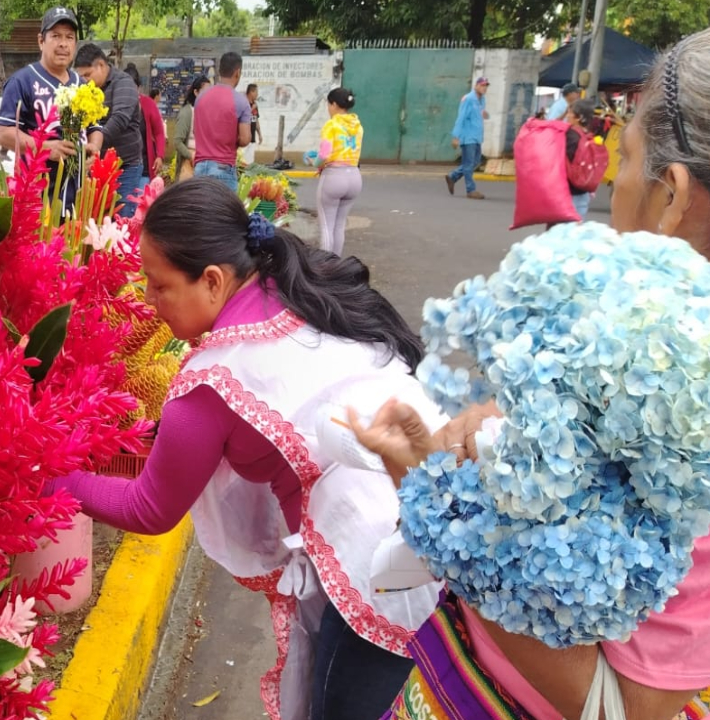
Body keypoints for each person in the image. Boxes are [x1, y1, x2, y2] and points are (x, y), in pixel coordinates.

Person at [353, 28, 710, 720]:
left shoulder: (689, 418)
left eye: (625, 158)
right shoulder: (613, 344)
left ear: (670, 194)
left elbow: (620, 711)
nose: (612, 179)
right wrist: (444, 465)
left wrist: (449, 520)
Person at [47, 177, 448, 720]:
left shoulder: (211, 381)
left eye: (158, 285)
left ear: (211, 281)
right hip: (443, 521)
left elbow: (150, 507)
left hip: (375, 569)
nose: (146, 299)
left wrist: (47, 479)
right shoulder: (292, 293)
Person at [0, 7, 82, 213]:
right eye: (56, 36)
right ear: (41, 41)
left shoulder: (83, 85)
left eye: (69, 37)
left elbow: (95, 128)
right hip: (37, 194)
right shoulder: (22, 81)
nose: (63, 43)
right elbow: (4, 134)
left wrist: (92, 148)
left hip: (78, 194)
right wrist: (45, 148)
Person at [74, 44, 146, 218]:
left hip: (125, 167)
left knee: (121, 219)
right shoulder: (88, 90)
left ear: (101, 65)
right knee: (96, 219)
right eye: (81, 76)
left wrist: (94, 143)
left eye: (87, 75)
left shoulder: (124, 83)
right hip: (97, 166)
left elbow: (120, 119)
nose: (84, 80)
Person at [313, 88, 363, 257]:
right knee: (339, 226)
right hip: (354, 177)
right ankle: (336, 266)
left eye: (328, 104)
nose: (328, 108)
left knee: (326, 227)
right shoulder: (357, 126)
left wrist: (314, 162)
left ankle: (325, 268)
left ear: (334, 104)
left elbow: (324, 154)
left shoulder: (331, 125)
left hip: (334, 177)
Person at [193, 52, 252, 191]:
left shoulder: (201, 97)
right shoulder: (241, 101)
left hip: (200, 168)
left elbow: (196, 131)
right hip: (223, 168)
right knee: (223, 212)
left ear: (219, 71)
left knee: (201, 212)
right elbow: (244, 139)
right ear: (237, 72)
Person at [123, 64, 167, 190]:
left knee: (143, 204)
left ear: (139, 88)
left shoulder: (148, 104)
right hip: (123, 167)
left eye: (133, 88)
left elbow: (159, 133)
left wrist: (159, 155)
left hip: (145, 167)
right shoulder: (116, 104)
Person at [445, 77, 490, 200]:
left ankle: (453, 176)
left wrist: (486, 115)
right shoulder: (468, 99)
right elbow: (461, 118)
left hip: (477, 137)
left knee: (475, 162)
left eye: (486, 85)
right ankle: (471, 190)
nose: (484, 88)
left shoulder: (482, 100)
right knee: (469, 163)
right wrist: (456, 136)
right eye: (482, 85)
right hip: (468, 136)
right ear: (476, 86)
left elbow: (480, 114)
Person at [564, 98, 597, 220]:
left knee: (563, 231)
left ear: (579, 117)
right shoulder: (588, 136)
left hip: (569, 192)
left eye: (570, 113)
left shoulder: (570, 136)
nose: (567, 116)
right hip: (583, 191)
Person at [173, 75, 209, 181]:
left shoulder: (206, 112)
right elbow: (177, 141)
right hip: (188, 164)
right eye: (205, 91)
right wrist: (191, 156)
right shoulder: (187, 112)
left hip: (203, 163)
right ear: (196, 92)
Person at [243, 83, 263, 165]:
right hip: (244, 138)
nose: (257, 95)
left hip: (252, 138)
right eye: (256, 92)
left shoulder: (255, 105)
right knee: (242, 161)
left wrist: (260, 134)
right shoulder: (243, 104)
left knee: (250, 162)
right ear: (251, 92)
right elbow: (244, 116)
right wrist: (252, 109)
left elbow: (256, 120)